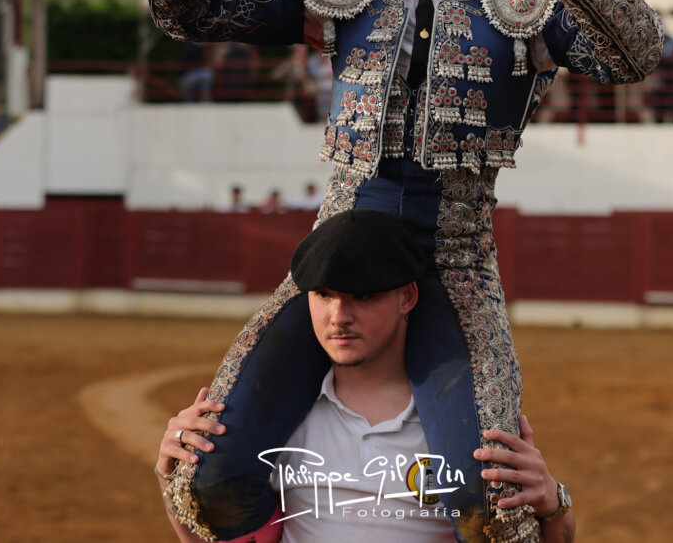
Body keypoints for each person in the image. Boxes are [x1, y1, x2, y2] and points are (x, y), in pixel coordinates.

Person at [140, 0, 661, 541]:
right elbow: (196, 11)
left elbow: (635, 56)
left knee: (495, 505)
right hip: (336, 261)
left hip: (453, 265)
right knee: (209, 481)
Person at [157, 210, 576, 543]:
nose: (339, 318)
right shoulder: (280, 421)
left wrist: (554, 502)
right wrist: (175, 479)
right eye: (324, 295)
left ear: (407, 297)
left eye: (363, 296)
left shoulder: (457, 425)